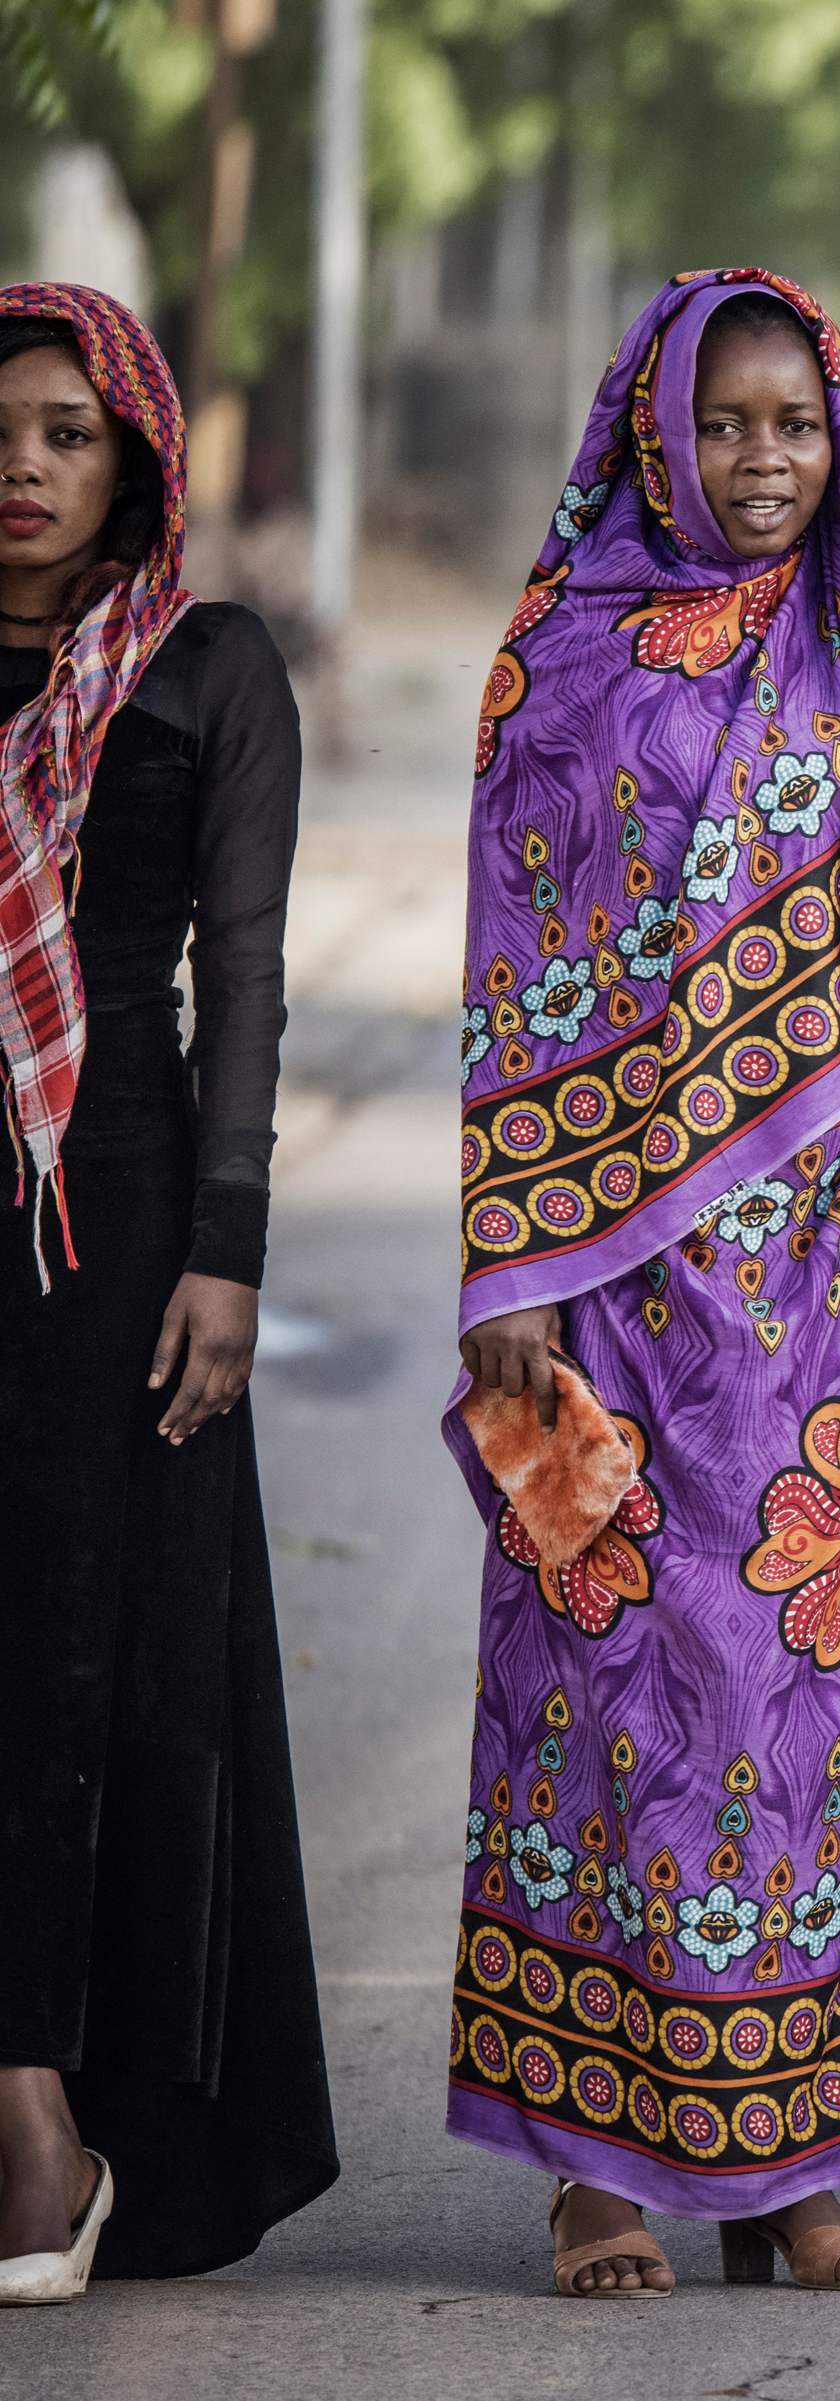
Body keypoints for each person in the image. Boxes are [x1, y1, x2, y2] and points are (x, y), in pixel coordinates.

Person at [446, 270, 840, 2297]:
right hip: (600, 1278)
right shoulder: (557, 663)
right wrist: (513, 1247)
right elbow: (509, 968)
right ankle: (597, 2166)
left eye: (797, 426)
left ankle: (785, 2161)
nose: (764, 462)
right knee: (600, 1691)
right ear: (657, 432)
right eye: (728, 424)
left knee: (810, 1704)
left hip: (828, 1282)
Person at [0, 283, 332, 2302]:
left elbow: (248, 978)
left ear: (128, 455)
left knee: (81, 1652)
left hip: (116, 1219)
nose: (22, 465)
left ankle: (43, 2116)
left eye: (62, 430)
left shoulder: (206, 668)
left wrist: (231, 1249)